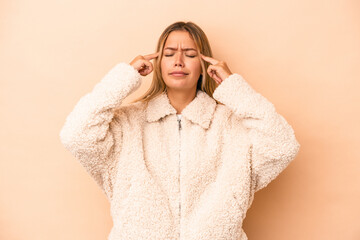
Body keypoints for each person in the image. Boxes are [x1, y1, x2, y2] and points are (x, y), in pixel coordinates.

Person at [59, 21, 300, 240]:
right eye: (169, 53)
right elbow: (76, 135)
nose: (178, 61)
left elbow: (282, 146)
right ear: (158, 63)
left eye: (190, 54)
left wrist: (234, 87)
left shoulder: (230, 126)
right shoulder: (129, 123)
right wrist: (125, 76)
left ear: (205, 65)